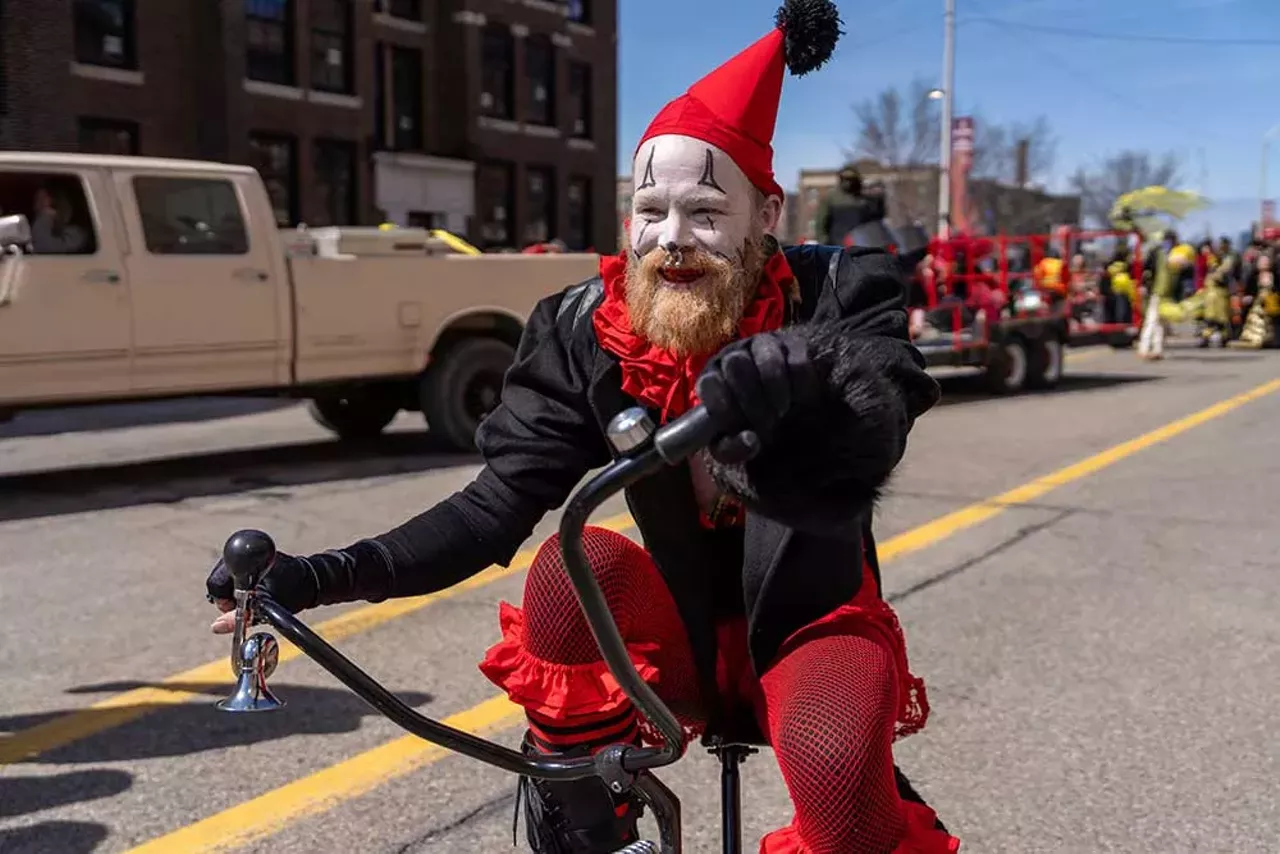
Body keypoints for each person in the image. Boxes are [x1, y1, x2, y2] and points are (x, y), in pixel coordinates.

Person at [206, 3, 958, 852]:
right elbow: (492, 508)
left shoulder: (840, 291)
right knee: (577, 562)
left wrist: (800, 405)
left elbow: (877, 420)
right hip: (663, 639)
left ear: (768, 215)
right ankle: (592, 830)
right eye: (651, 210)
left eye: (707, 212)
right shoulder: (582, 328)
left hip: (812, 624)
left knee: (832, 768)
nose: (672, 240)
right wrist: (319, 575)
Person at [818, 163, 887, 246]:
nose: (848, 183)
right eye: (845, 179)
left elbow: (876, 220)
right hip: (837, 243)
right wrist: (824, 241)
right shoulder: (831, 198)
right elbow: (821, 222)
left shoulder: (864, 199)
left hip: (861, 243)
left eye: (851, 179)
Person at [29, 186, 89, 254]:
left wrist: (45, 217)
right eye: (36, 200)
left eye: (41, 201)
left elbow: (45, 247)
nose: (36, 207)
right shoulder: (31, 228)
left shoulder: (76, 235)